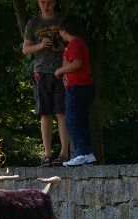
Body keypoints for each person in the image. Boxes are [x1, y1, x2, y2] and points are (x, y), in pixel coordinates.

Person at [22, 0, 69, 167]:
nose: (45, 5)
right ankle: (47, 154)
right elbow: (25, 49)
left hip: (62, 71)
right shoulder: (33, 23)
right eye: (42, 2)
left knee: (62, 113)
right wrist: (41, 45)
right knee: (45, 113)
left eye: (48, 2)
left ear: (54, 2)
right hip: (41, 72)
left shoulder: (62, 20)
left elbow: (73, 44)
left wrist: (60, 48)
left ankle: (64, 153)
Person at [55, 15, 96, 167]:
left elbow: (77, 63)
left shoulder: (75, 43)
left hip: (77, 87)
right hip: (78, 87)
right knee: (79, 120)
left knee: (74, 121)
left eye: (60, 30)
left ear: (64, 30)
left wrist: (60, 71)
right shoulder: (73, 44)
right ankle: (86, 153)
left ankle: (81, 153)